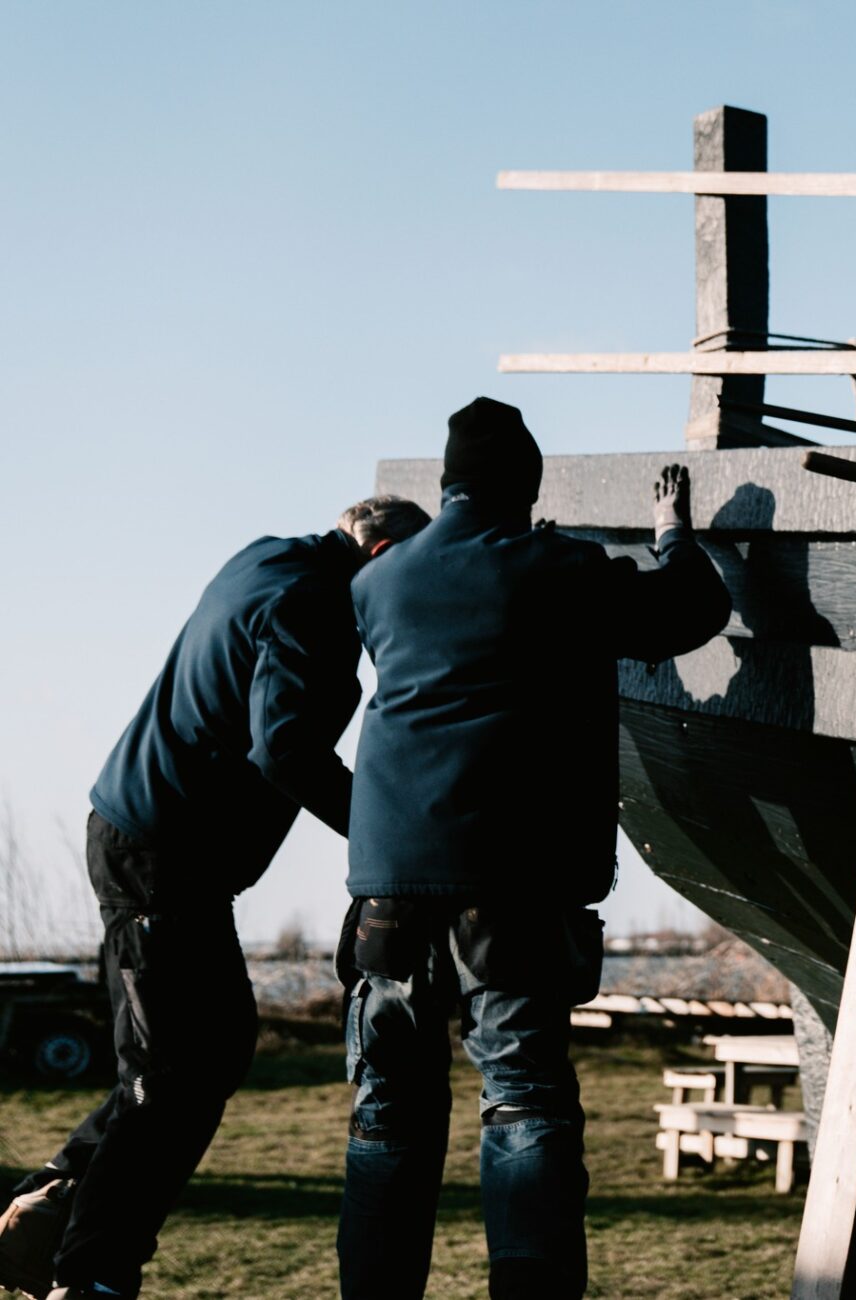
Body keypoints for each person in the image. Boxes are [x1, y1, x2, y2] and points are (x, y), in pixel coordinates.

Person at [335, 397, 730, 1300]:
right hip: (507, 889)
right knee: (521, 1104)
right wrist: (672, 533)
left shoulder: (379, 584)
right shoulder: (559, 567)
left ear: (445, 485)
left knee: (385, 1117)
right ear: (527, 487)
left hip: (386, 888)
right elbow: (690, 610)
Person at [0, 496, 431, 1300]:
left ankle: (53, 1200)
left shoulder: (269, 556)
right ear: (379, 559)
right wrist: (384, 841)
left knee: (208, 1050)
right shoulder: (313, 606)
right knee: (172, 1075)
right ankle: (89, 1273)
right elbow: (289, 750)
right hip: (159, 855)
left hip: (166, 851)